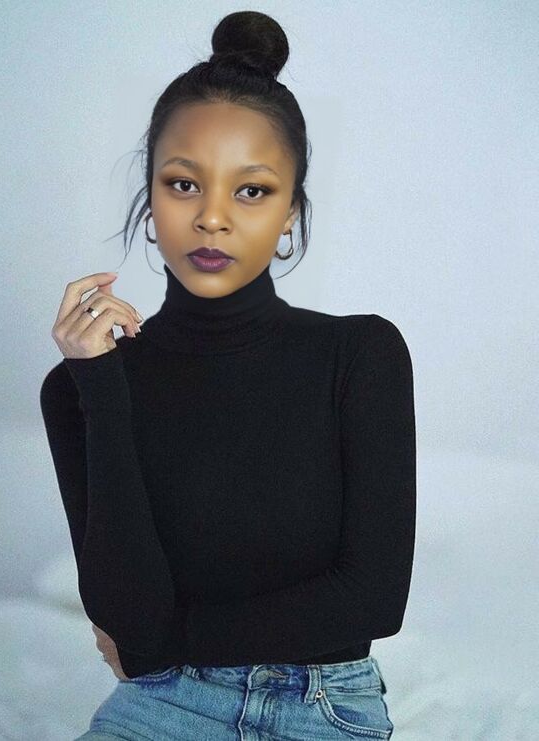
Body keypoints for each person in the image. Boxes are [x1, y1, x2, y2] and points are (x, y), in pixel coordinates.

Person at [39, 10, 416, 740]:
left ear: (290, 214)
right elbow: (127, 619)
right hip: (162, 702)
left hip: (324, 705)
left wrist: (169, 637)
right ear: (151, 202)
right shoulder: (81, 387)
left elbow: (373, 598)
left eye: (251, 191)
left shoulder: (360, 355)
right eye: (184, 184)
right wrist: (101, 390)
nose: (212, 218)